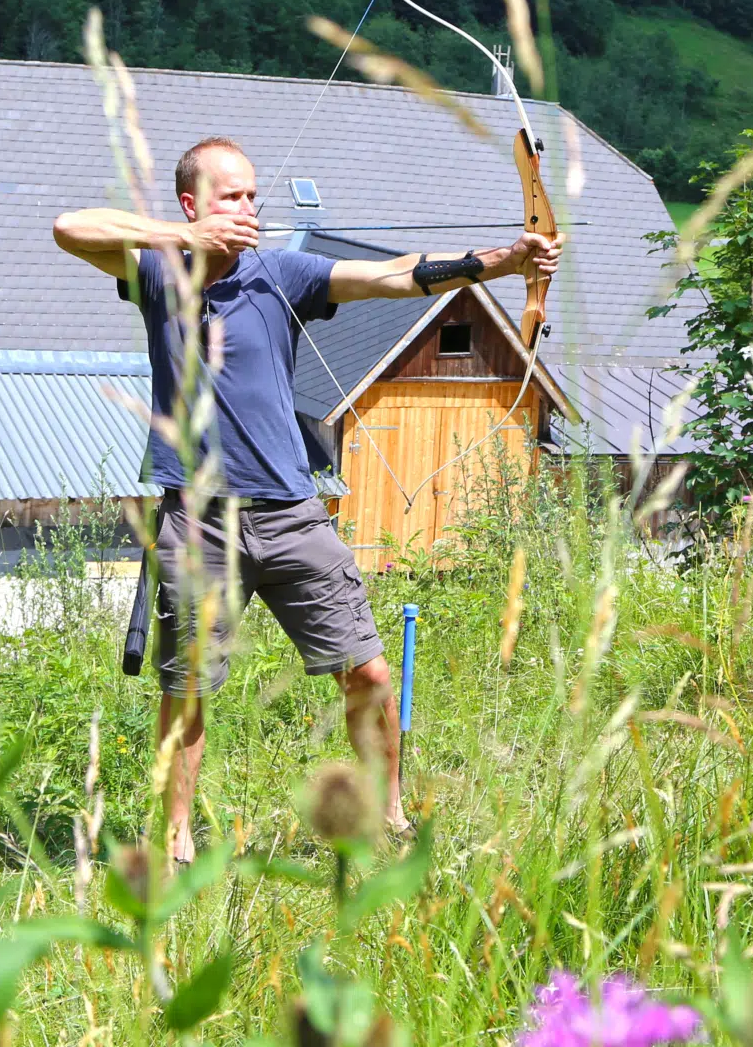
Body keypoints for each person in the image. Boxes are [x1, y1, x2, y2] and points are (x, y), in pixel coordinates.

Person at [53, 135, 560, 862]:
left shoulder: (280, 272)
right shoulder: (156, 271)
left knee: (370, 671)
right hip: (199, 525)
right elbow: (70, 227)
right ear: (193, 203)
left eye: (255, 195)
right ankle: (175, 834)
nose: (250, 208)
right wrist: (183, 237)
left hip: (292, 514)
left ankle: (386, 812)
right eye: (232, 196)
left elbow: (393, 276)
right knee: (187, 688)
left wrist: (505, 262)